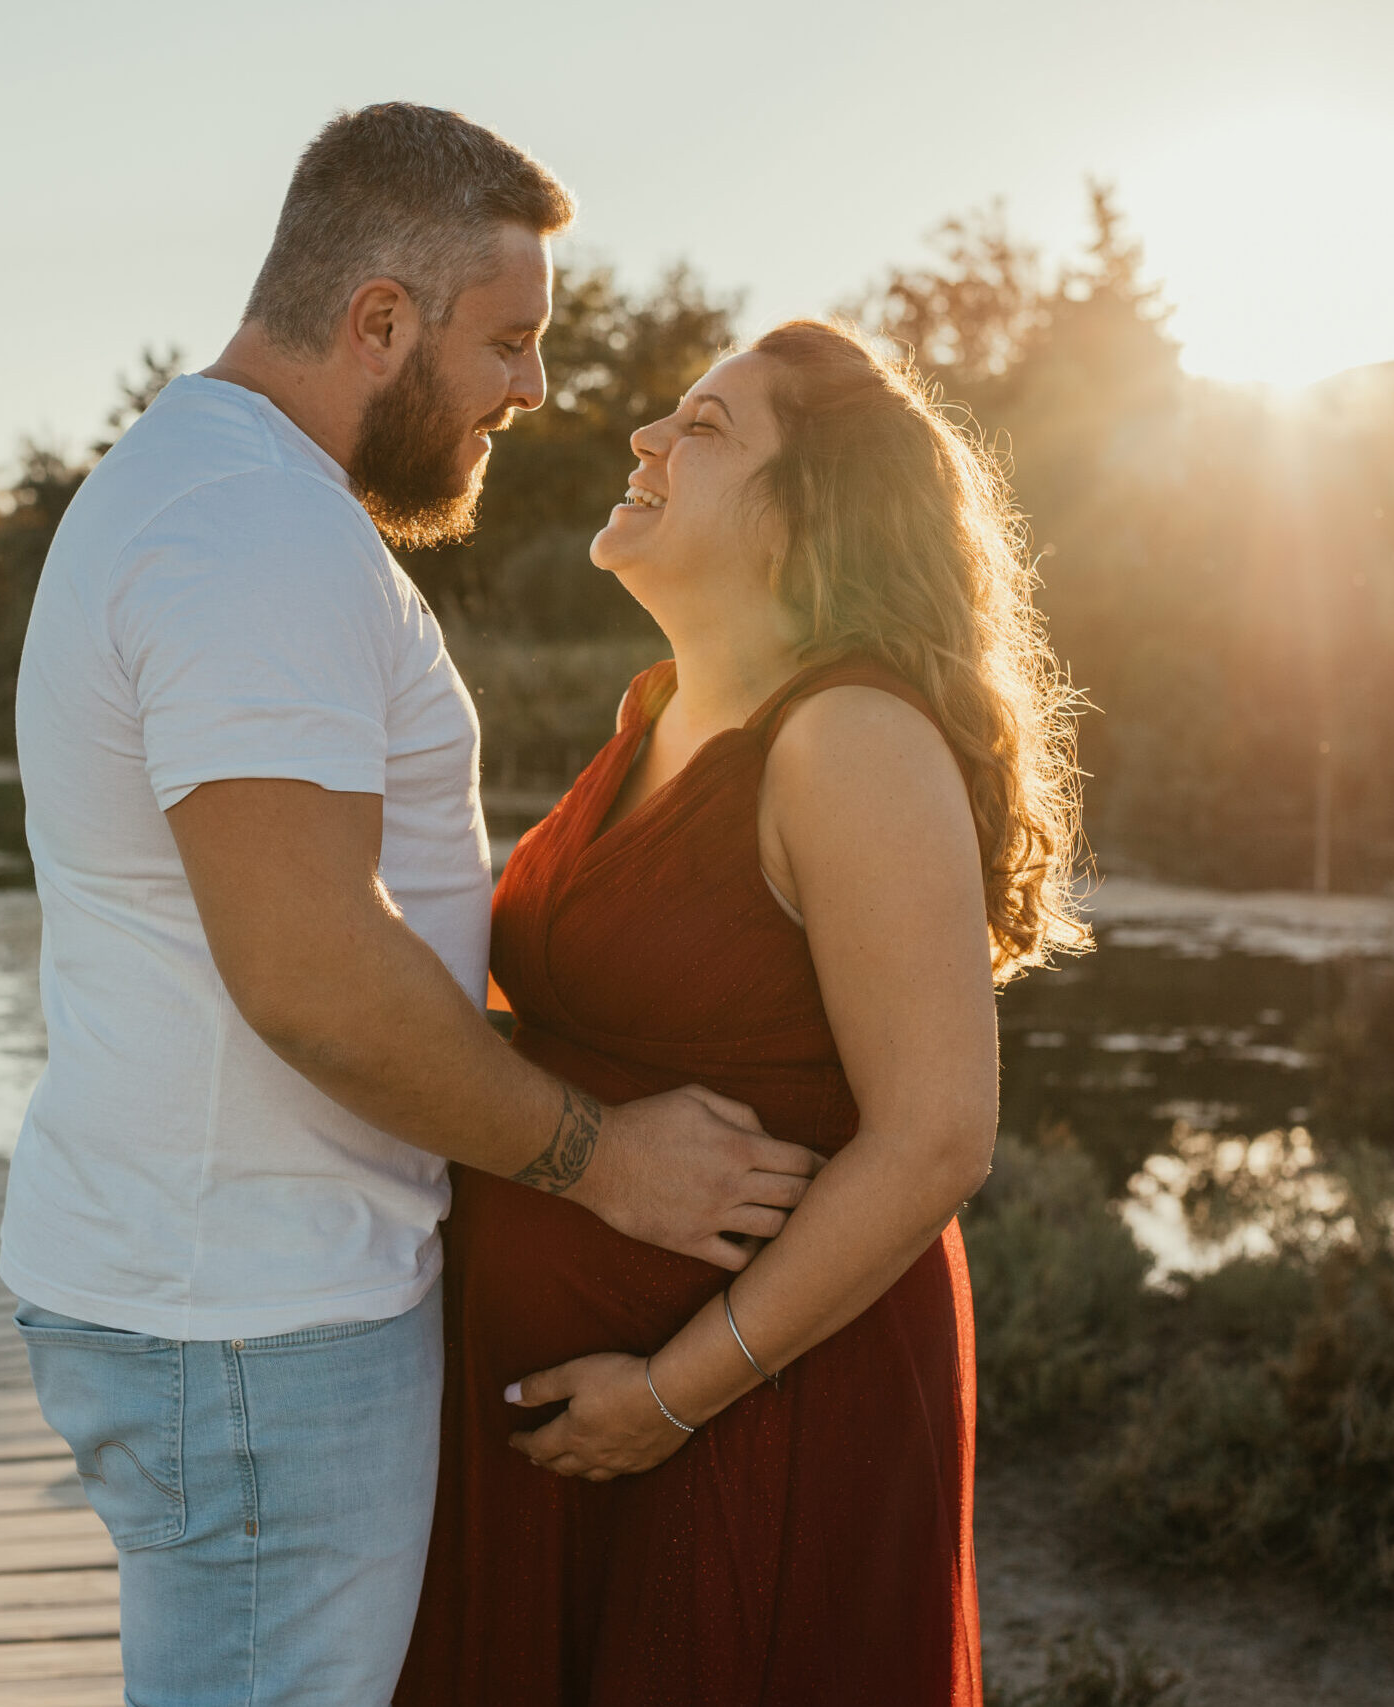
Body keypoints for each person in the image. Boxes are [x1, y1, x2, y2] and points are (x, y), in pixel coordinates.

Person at [0, 104, 823, 1706]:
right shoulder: (250, 529)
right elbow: (310, 969)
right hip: (254, 1328)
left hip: (232, 1303)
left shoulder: (223, 498)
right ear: (380, 320)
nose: (536, 388)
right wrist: (606, 1161)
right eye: (509, 341)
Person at [397, 320, 1088, 1706]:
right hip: (583, 1428)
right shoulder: (656, 709)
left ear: (810, 509)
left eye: (703, 429)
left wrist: (669, 1399)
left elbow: (939, 1137)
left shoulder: (851, 739)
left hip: (758, 1413)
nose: (645, 440)